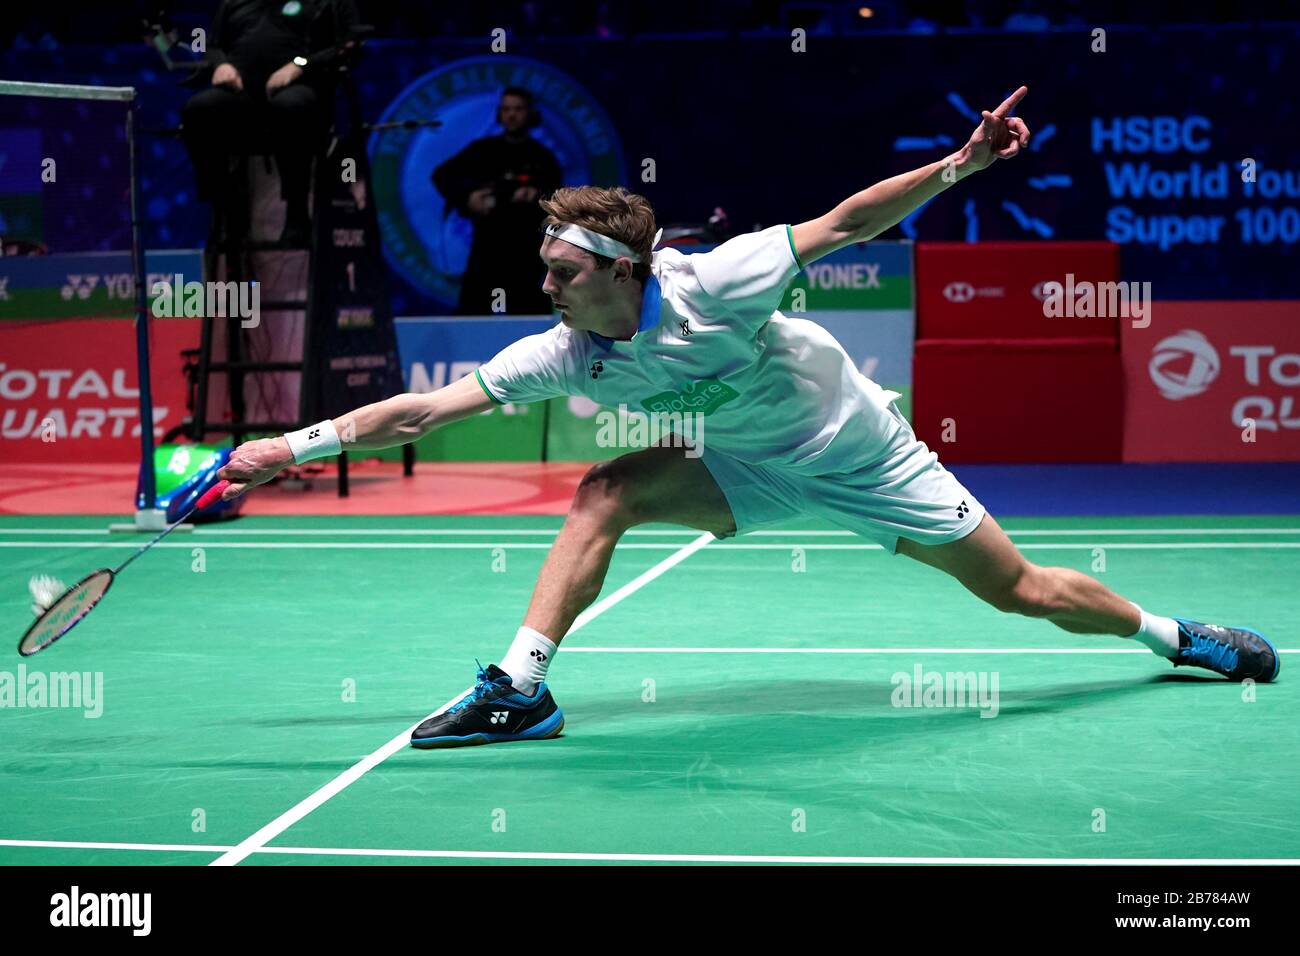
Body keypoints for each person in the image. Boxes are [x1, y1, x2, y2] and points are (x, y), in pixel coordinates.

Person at [216, 87, 1279, 748]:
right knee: (605, 489)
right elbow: (422, 409)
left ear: (622, 269)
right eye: (542, 264)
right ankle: (519, 687)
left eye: (559, 266)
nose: (542, 280)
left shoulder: (712, 283)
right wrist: (292, 446)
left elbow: (845, 221)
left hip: (859, 453)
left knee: (1023, 592)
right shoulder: (564, 348)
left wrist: (962, 166)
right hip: (748, 466)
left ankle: (1180, 637)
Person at [181, 0, 358, 246]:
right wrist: (221, 64)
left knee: (289, 108)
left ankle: (296, 216)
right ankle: (226, 207)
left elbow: (347, 46)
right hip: (241, 94)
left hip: (302, 88)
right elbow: (211, 45)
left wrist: (300, 65)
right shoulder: (233, 3)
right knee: (198, 110)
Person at [433, 87, 562, 315]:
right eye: (506, 109)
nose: (511, 115)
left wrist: (536, 197)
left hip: (525, 252)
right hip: (486, 248)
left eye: (518, 109)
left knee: (529, 320)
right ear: (499, 114)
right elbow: (442, 175)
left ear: (530, 113)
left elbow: (557, 201)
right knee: (471, 317)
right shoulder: (483, 150)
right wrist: (468, 197)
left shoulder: (542, 157)